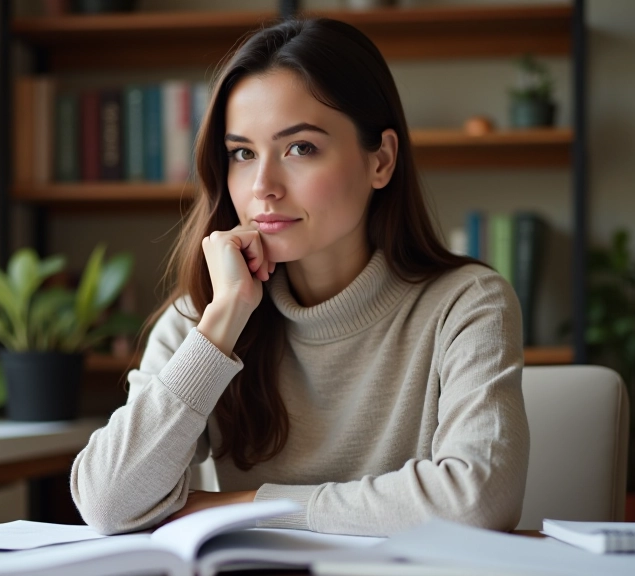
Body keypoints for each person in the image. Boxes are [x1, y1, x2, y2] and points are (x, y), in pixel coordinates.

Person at [70, 17, 529, 538]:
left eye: (300, 148)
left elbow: (478, 499)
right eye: (242, 153)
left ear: (381, 160)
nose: (263, 185)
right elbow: (107, 503)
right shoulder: (202, 317)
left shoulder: (466, 305)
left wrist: (244, 506)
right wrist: (221, 323)